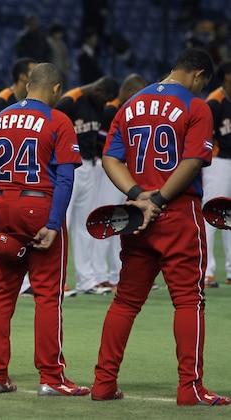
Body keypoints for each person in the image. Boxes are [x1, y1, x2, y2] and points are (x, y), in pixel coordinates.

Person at [92, 47, 230, 406]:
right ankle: (190, 388)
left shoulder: (132, 103)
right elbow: (194, 160)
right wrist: (159, 200)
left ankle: (103, 384)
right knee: (188, 301)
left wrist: (139, 196)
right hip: (177, 211)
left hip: (136, 217)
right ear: (199, 75)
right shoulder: (195, 105)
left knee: (124, 302)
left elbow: (110, 157)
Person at [0, 62, 87, 395]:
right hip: (38, 205)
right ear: (56, 89)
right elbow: (66, 177)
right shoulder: (58, 119)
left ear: (27, 86)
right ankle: (51, 378)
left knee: (2, 293)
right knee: (47, 296)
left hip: (2, 206)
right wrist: (54, 222)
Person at [56, 76, 119, 296]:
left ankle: (86, 280)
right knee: (61, 223)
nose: (105, 102)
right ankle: (57, 281)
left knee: (84, 225)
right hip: (67, 168)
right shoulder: (69, 101)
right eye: (104, 97)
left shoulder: (98, 104)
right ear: (97, 87)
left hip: (89, 166)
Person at [0, 57, 38, 298]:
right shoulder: (2, 101)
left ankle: (20, 280)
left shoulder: (22, 103)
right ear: (23, 77)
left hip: (12, 178)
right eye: (33, 72)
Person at [91, 74, 147, 288]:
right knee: (107, 219)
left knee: (122, 221)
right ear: (129, 92)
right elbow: (101, 143)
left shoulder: (130, 111)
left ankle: (116, 274)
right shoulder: (112, 109)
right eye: (138, 93)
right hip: (109, 169)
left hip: (123, 170)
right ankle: (98, 275)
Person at [202, 59, 231, 288]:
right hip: (218, 163)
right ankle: (206, 270)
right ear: (224, 79)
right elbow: (207, 138)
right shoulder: (214, 102)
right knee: (212, 213)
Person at [47, 22, 70, 89]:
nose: (60, 35)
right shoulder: (49, 43)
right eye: (58, 33)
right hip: (53, 71)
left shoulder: (62, 44)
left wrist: (66, 66)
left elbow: (65, 57)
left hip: (63, 72)